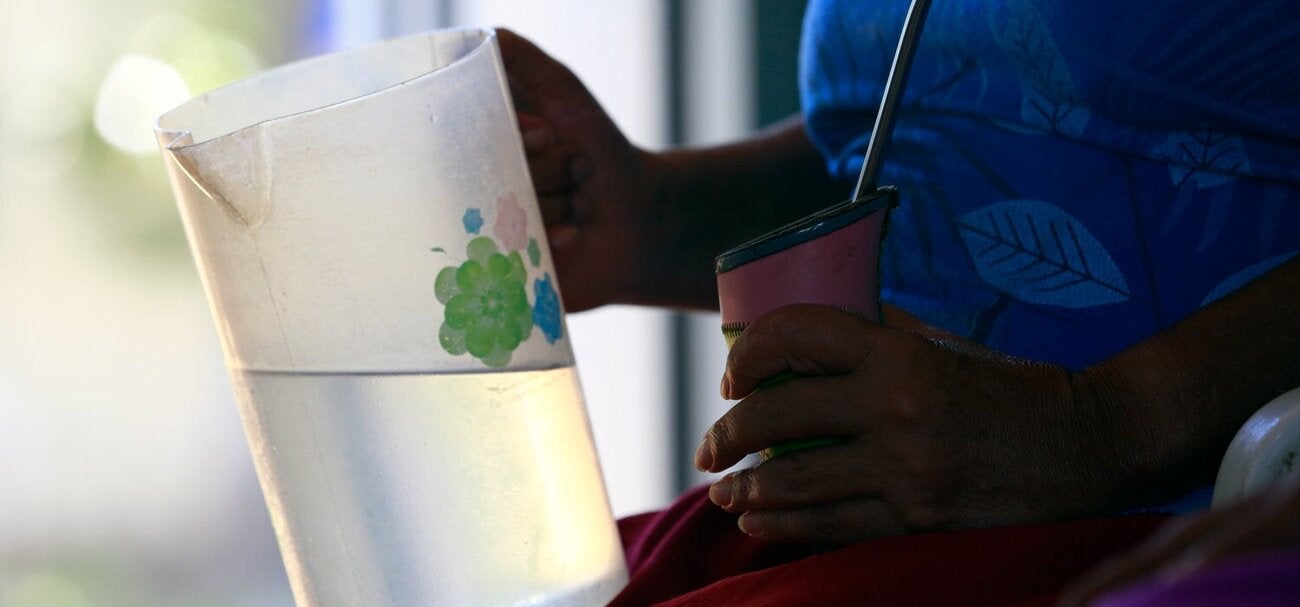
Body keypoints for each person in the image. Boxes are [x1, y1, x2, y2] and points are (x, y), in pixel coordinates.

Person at [498, 0, 1300, 603]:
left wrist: (1107, 424)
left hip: (1164, 531)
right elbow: (935, 135)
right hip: (859, 532)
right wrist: (659, 218)